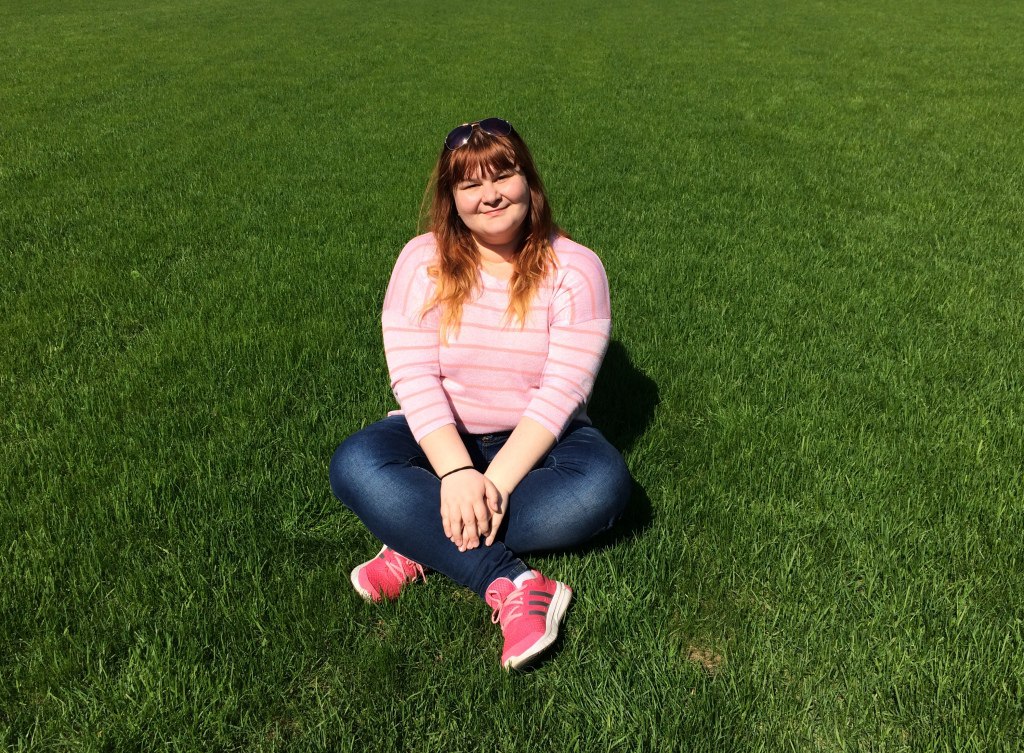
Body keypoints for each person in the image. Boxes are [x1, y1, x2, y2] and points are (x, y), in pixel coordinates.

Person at [329, 117, 631, 670]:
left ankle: (417, 536)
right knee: (355, 463)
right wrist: (454, 473)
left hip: (542, 443)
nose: (489, 196)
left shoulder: (576, 268)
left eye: (503, 177)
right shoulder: (422, 260)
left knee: (601, 489)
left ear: (529, 181)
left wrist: (488, 487)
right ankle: (515, 583)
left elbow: (562, 392)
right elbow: (414, 376)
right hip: (441, 435)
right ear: (452, 199)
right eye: (470, 184)